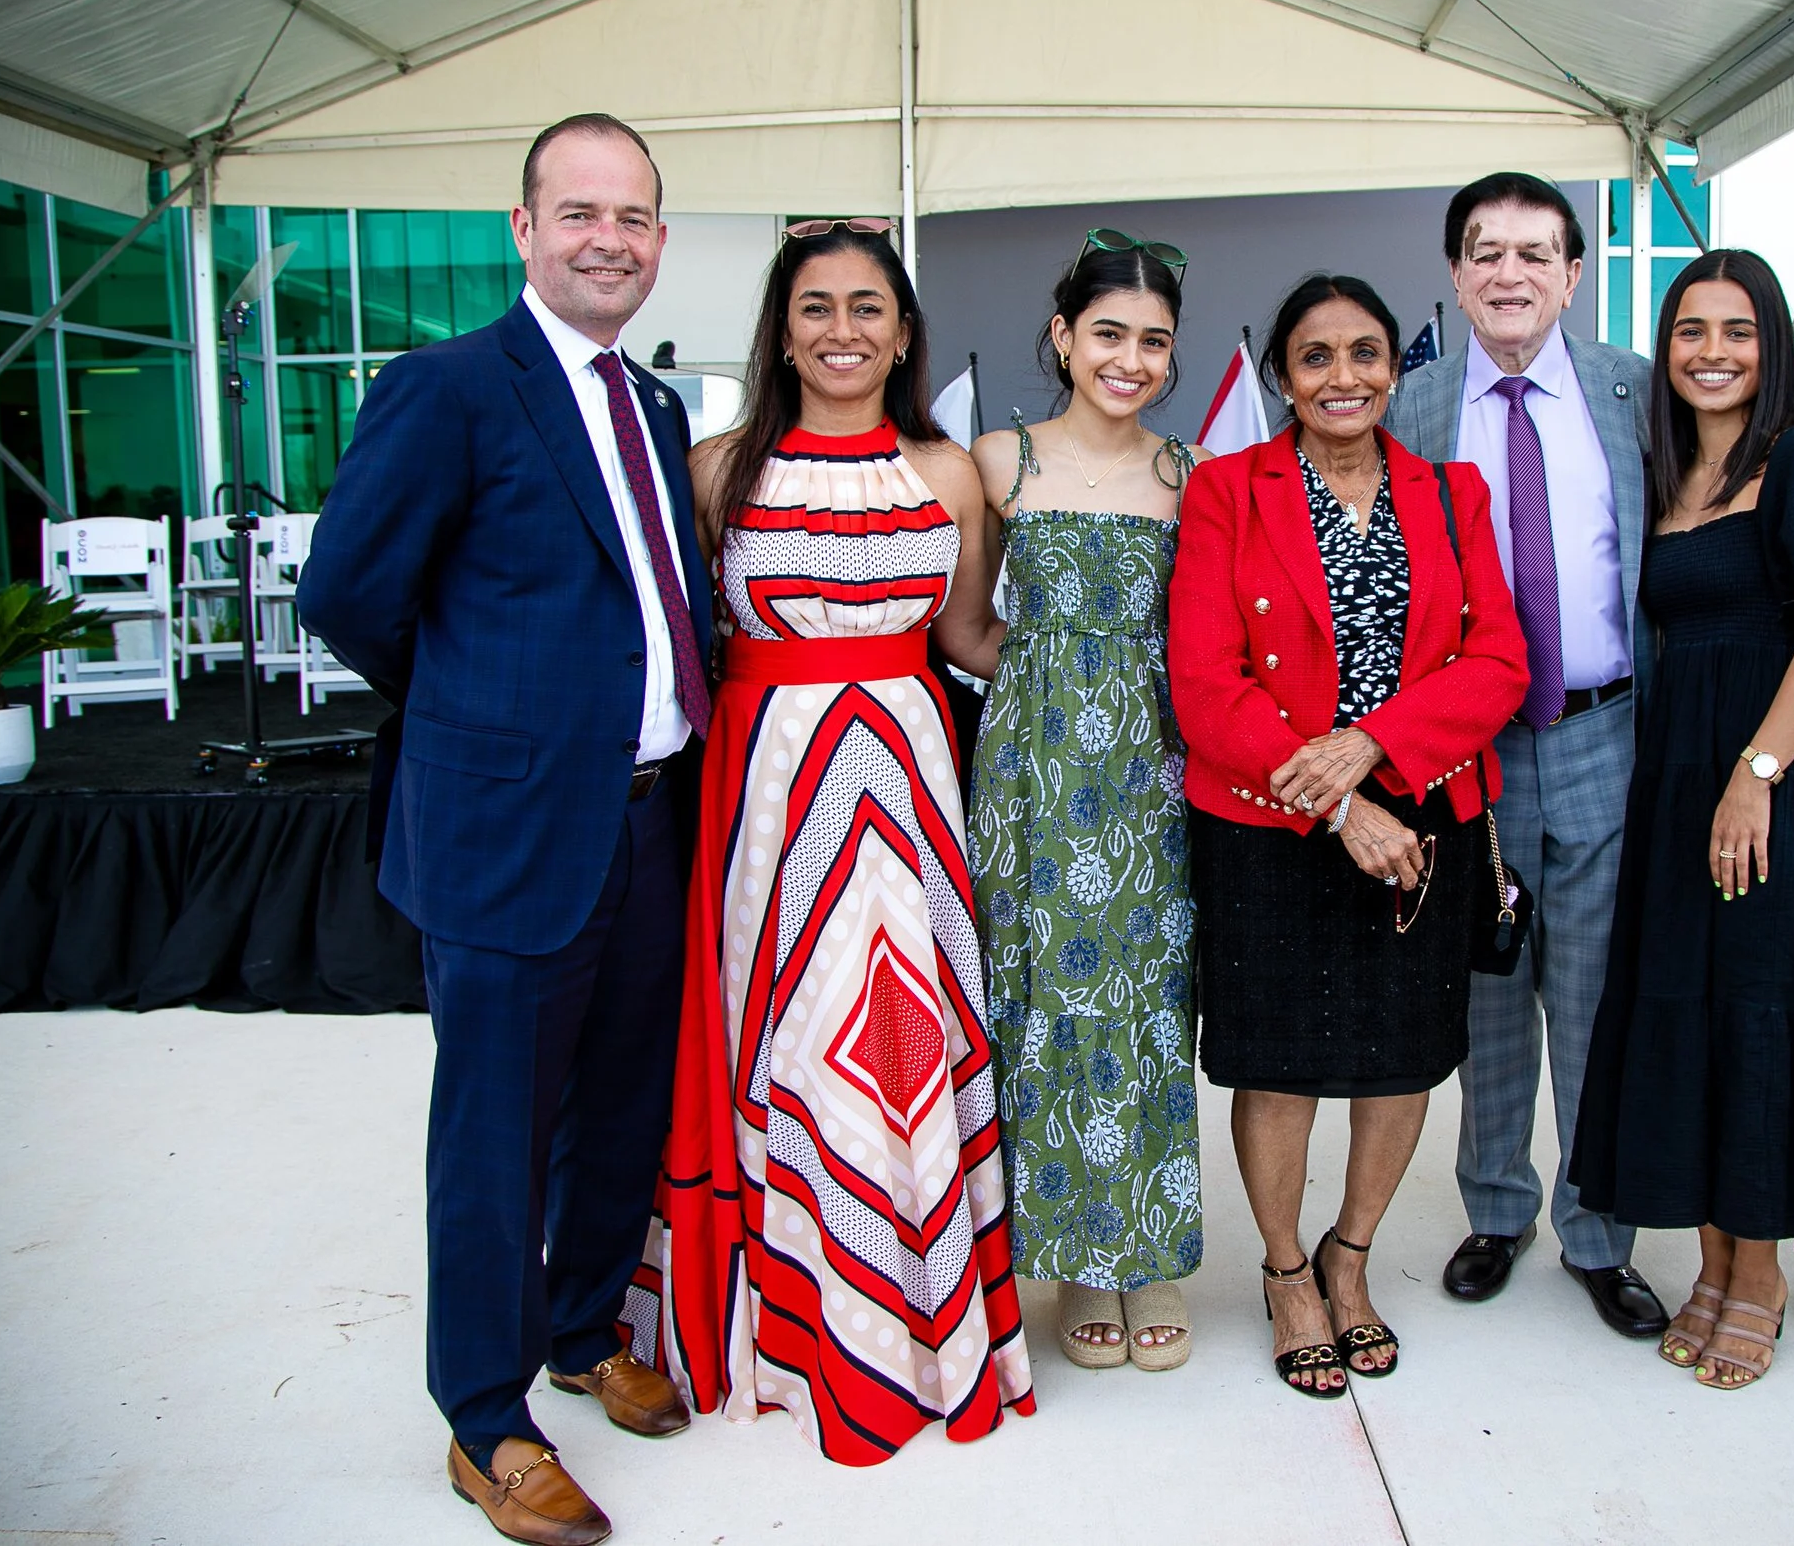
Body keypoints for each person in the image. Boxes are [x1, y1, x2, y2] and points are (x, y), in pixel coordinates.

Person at [299, 114, 708, 1545]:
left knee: (619, 1105)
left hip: (655, 820)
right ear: (522, 228)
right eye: (582, 211)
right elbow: (348, 594)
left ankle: (582, 1327)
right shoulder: (450, 386)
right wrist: (486, 718)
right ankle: (484, 1418)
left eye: (637, 216)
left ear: (661, 239)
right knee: (490, 1133)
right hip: (506, 829)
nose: (611, 237)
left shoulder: (657, 411)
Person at [647, 219, 1035, 1465]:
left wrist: (1112, 675)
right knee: (799, 1035)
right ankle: (810, 1325)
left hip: (913, 783)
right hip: (768, 795)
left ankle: (924, 1316)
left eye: (868, 307)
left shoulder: (950, 473)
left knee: (907, 1039)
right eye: (815, 307)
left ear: (904, 331)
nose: (843, 330)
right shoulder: (716, 470)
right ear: (780, 329)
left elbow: (973, 641)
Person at [1170, 274, 1527, 1399]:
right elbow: (1205, 683)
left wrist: (1372, 750)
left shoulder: (1450, 491)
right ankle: (1284, 1271)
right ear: (1282, 374)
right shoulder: (1228, 488)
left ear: (1394, 366)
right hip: (1272, 817)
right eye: (1316, 355)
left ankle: (1350, 1254)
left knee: (1401, 1054)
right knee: (1278, 1062)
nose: (1343, 376)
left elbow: (1497, 661)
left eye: (1365, 352)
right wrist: (1335, 800)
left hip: (1425, 810)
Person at [1569, 250, 1794, 1392]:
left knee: (1757, 1015)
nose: (1712, 352)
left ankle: (1756, 1273)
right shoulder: (1663, 476)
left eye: (1738, 330)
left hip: (1777, 788)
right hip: (1678, 786)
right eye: (1690, 330)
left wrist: (1754, 772)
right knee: (1695, 1015)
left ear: (1773, 347)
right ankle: (1711, 1257)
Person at [1384, 173, 1670, 1339]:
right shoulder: (1412, 403)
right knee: (1491, 990)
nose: (1509, 273)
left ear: (1571, 272)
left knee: (1599, 999)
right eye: (1486, 252)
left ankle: (1599, 1231)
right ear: (1455, 273)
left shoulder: (1632, 393)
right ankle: (1495, 1209)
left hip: (1605, 728)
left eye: (1534, 253)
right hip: (1469, 747)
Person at [963, 231, 1203, 1371]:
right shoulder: (996, 458)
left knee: (1150, 995)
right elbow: (962, 622)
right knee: (1042, 991)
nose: (1131, 359)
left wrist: (1128, 689)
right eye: (1109, 333)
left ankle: (1146, 1250)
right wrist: (1054, 682)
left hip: (1154, 768)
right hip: (1032, 769)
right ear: (1063, 337)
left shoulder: (1187, 473)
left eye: (1154, 341)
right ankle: (1065, 1250)